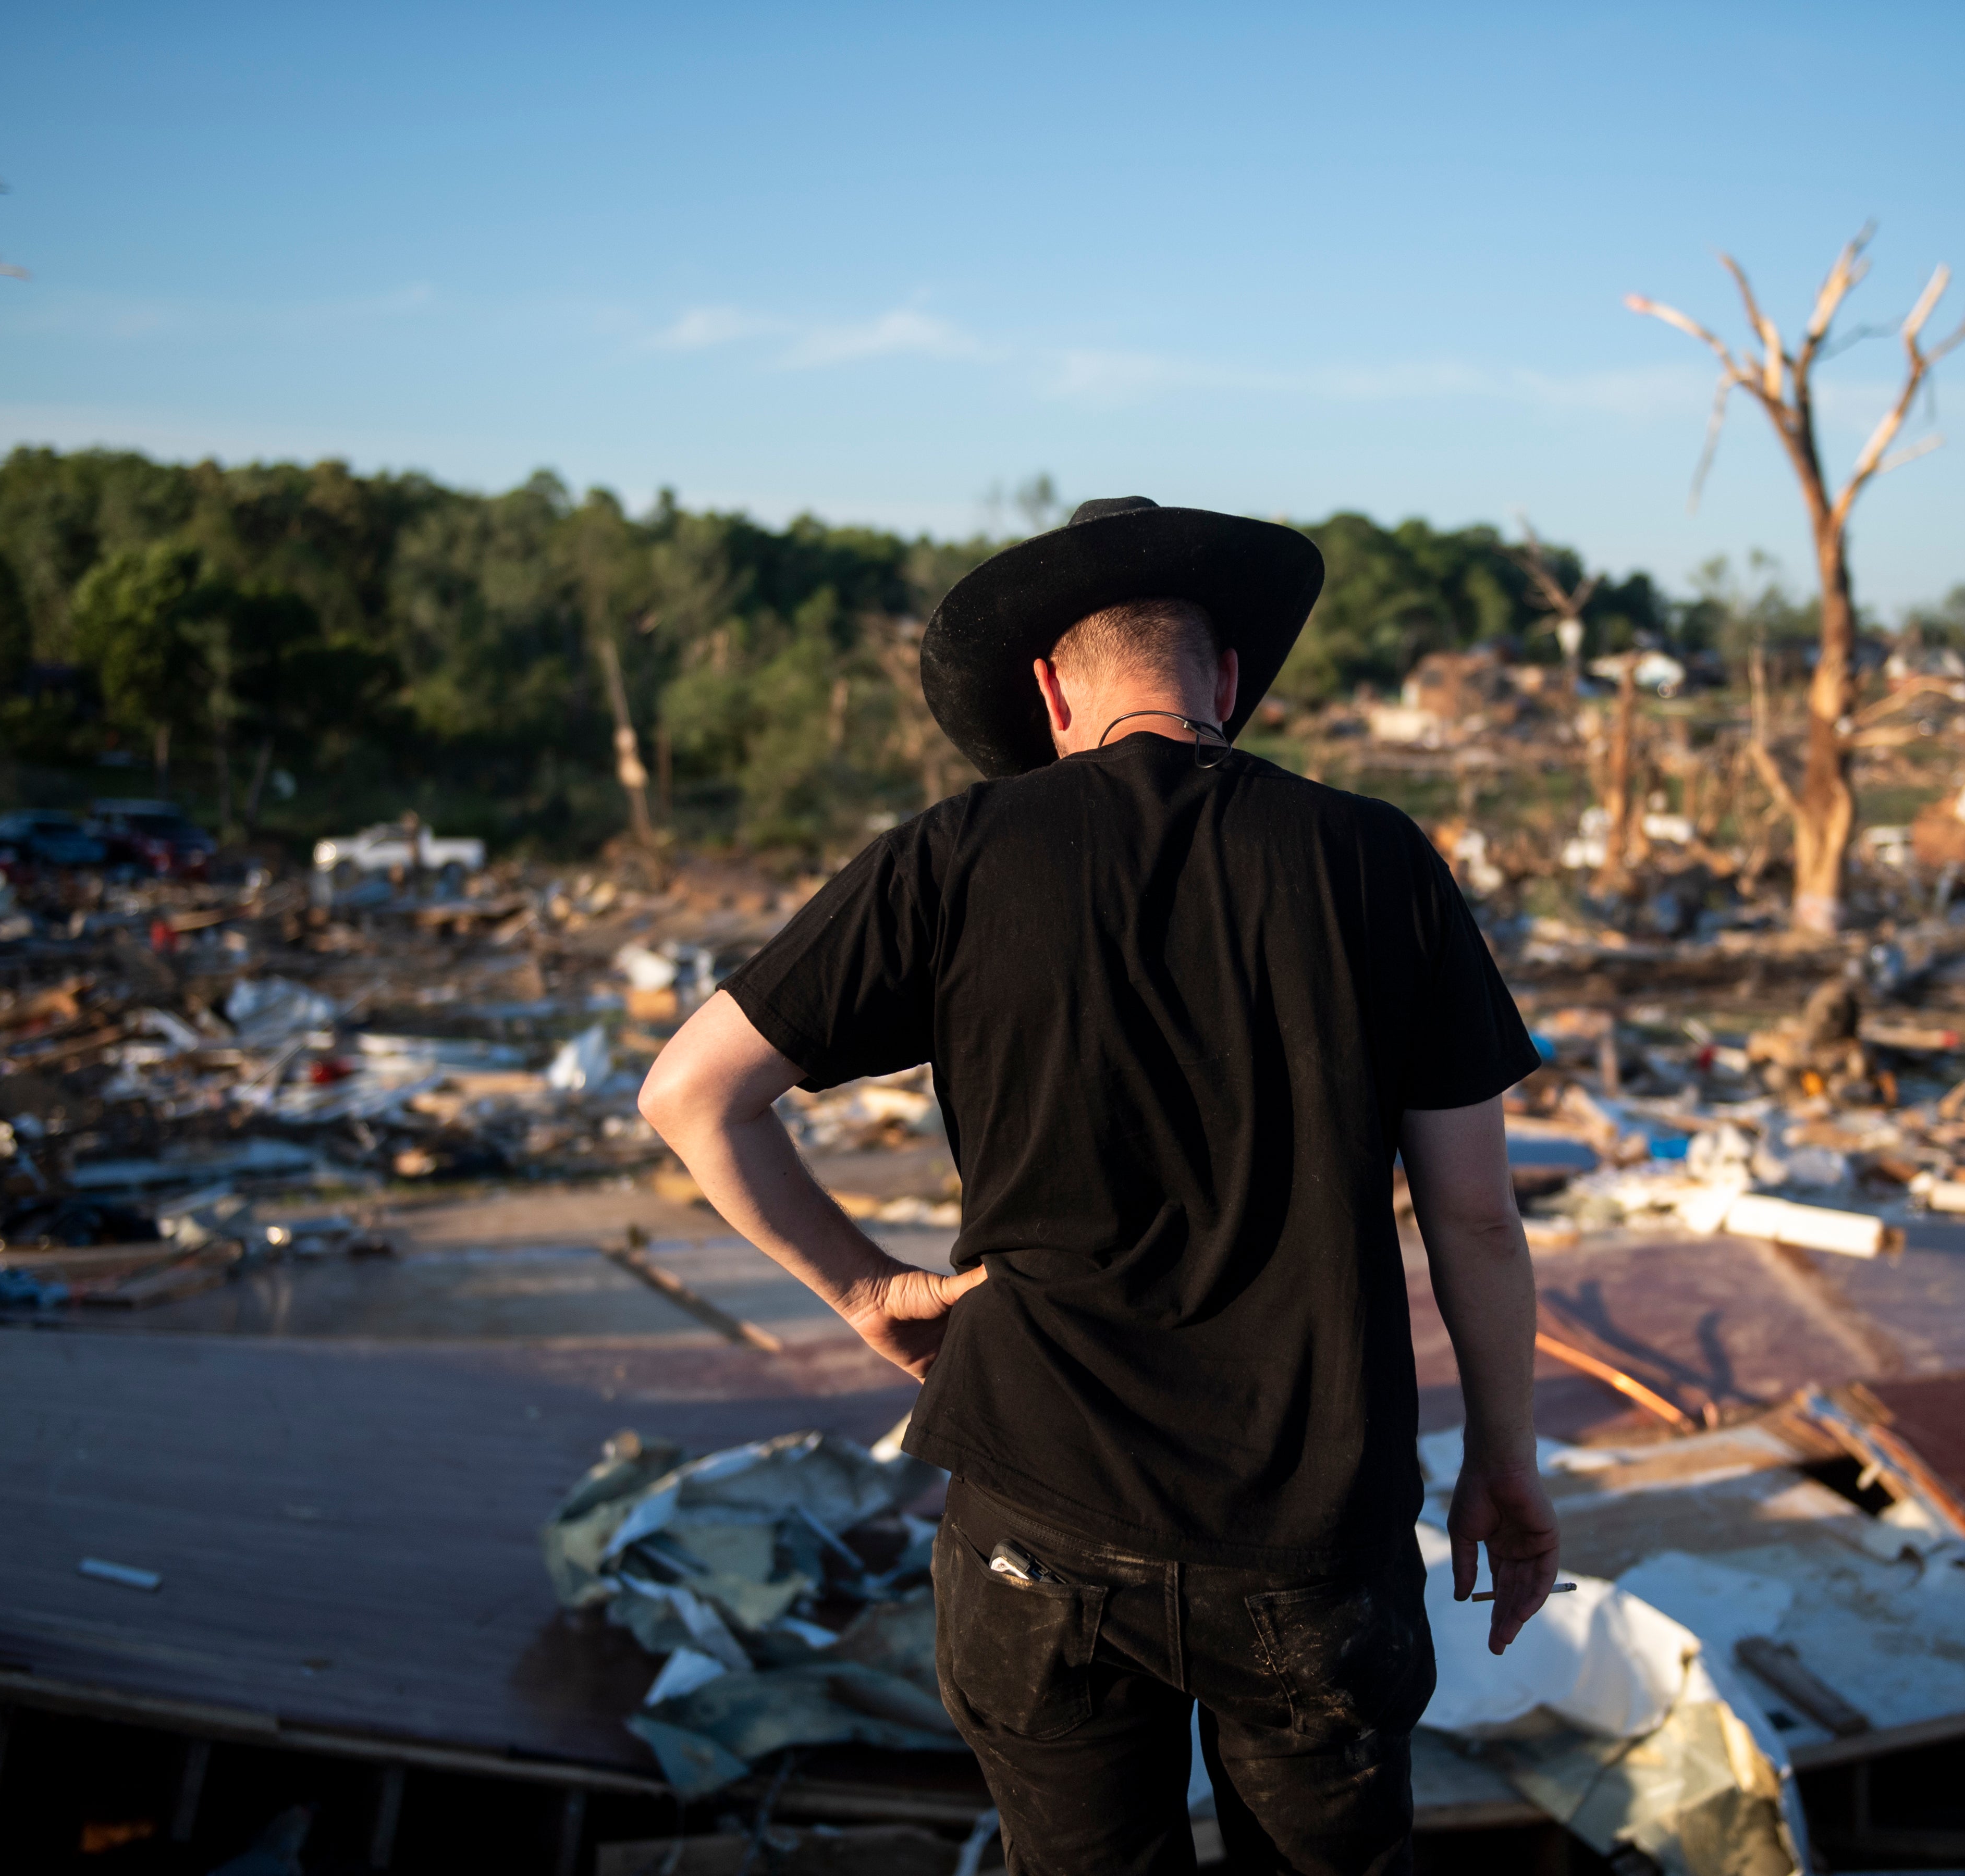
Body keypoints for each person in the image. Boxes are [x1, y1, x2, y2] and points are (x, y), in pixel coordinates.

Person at [638, 497, 1559, 1876]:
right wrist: (1505, 1459)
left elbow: (690, 1094)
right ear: (1226, 684)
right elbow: (1476, 1218)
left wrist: (869, 1290)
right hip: (1310, 1538)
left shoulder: (950, 858)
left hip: (1039, 1524)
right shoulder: (1375, 862)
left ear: (1053, 693)